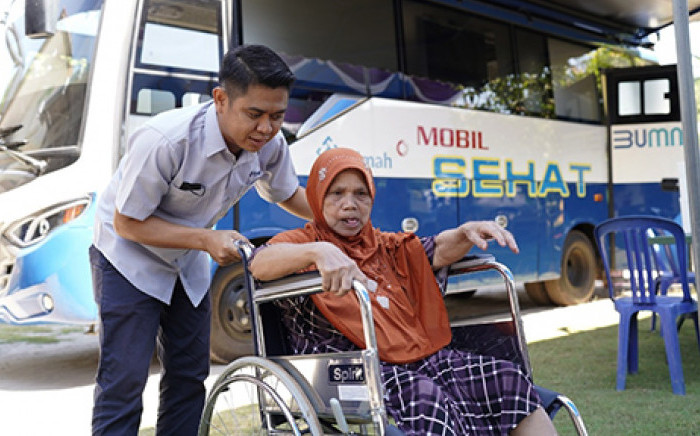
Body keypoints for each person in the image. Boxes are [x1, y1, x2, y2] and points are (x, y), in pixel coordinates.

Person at [250, 147, 558, 436]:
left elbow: (433, 249)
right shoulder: (302, 241)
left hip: (413, 355)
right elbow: (258, 263)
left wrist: (464, 233)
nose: (349, 204)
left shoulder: (382, 244)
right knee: (427, 399)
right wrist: (317, 252)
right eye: (336, 194)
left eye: (361, 194)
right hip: (349, 370)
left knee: (506, 378)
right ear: (317, 198)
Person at [89, 44, 312, 435]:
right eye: (254, 114)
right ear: (221, 99)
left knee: (190, 376)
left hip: (186, 260)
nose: (266, 128)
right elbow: (127, 223)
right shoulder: (166, 140)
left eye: (277, 116)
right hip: (127, 258)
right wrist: (206, 239)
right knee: (124, 382)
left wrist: (343, 219)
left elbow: (287, 194)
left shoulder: (271, 145)